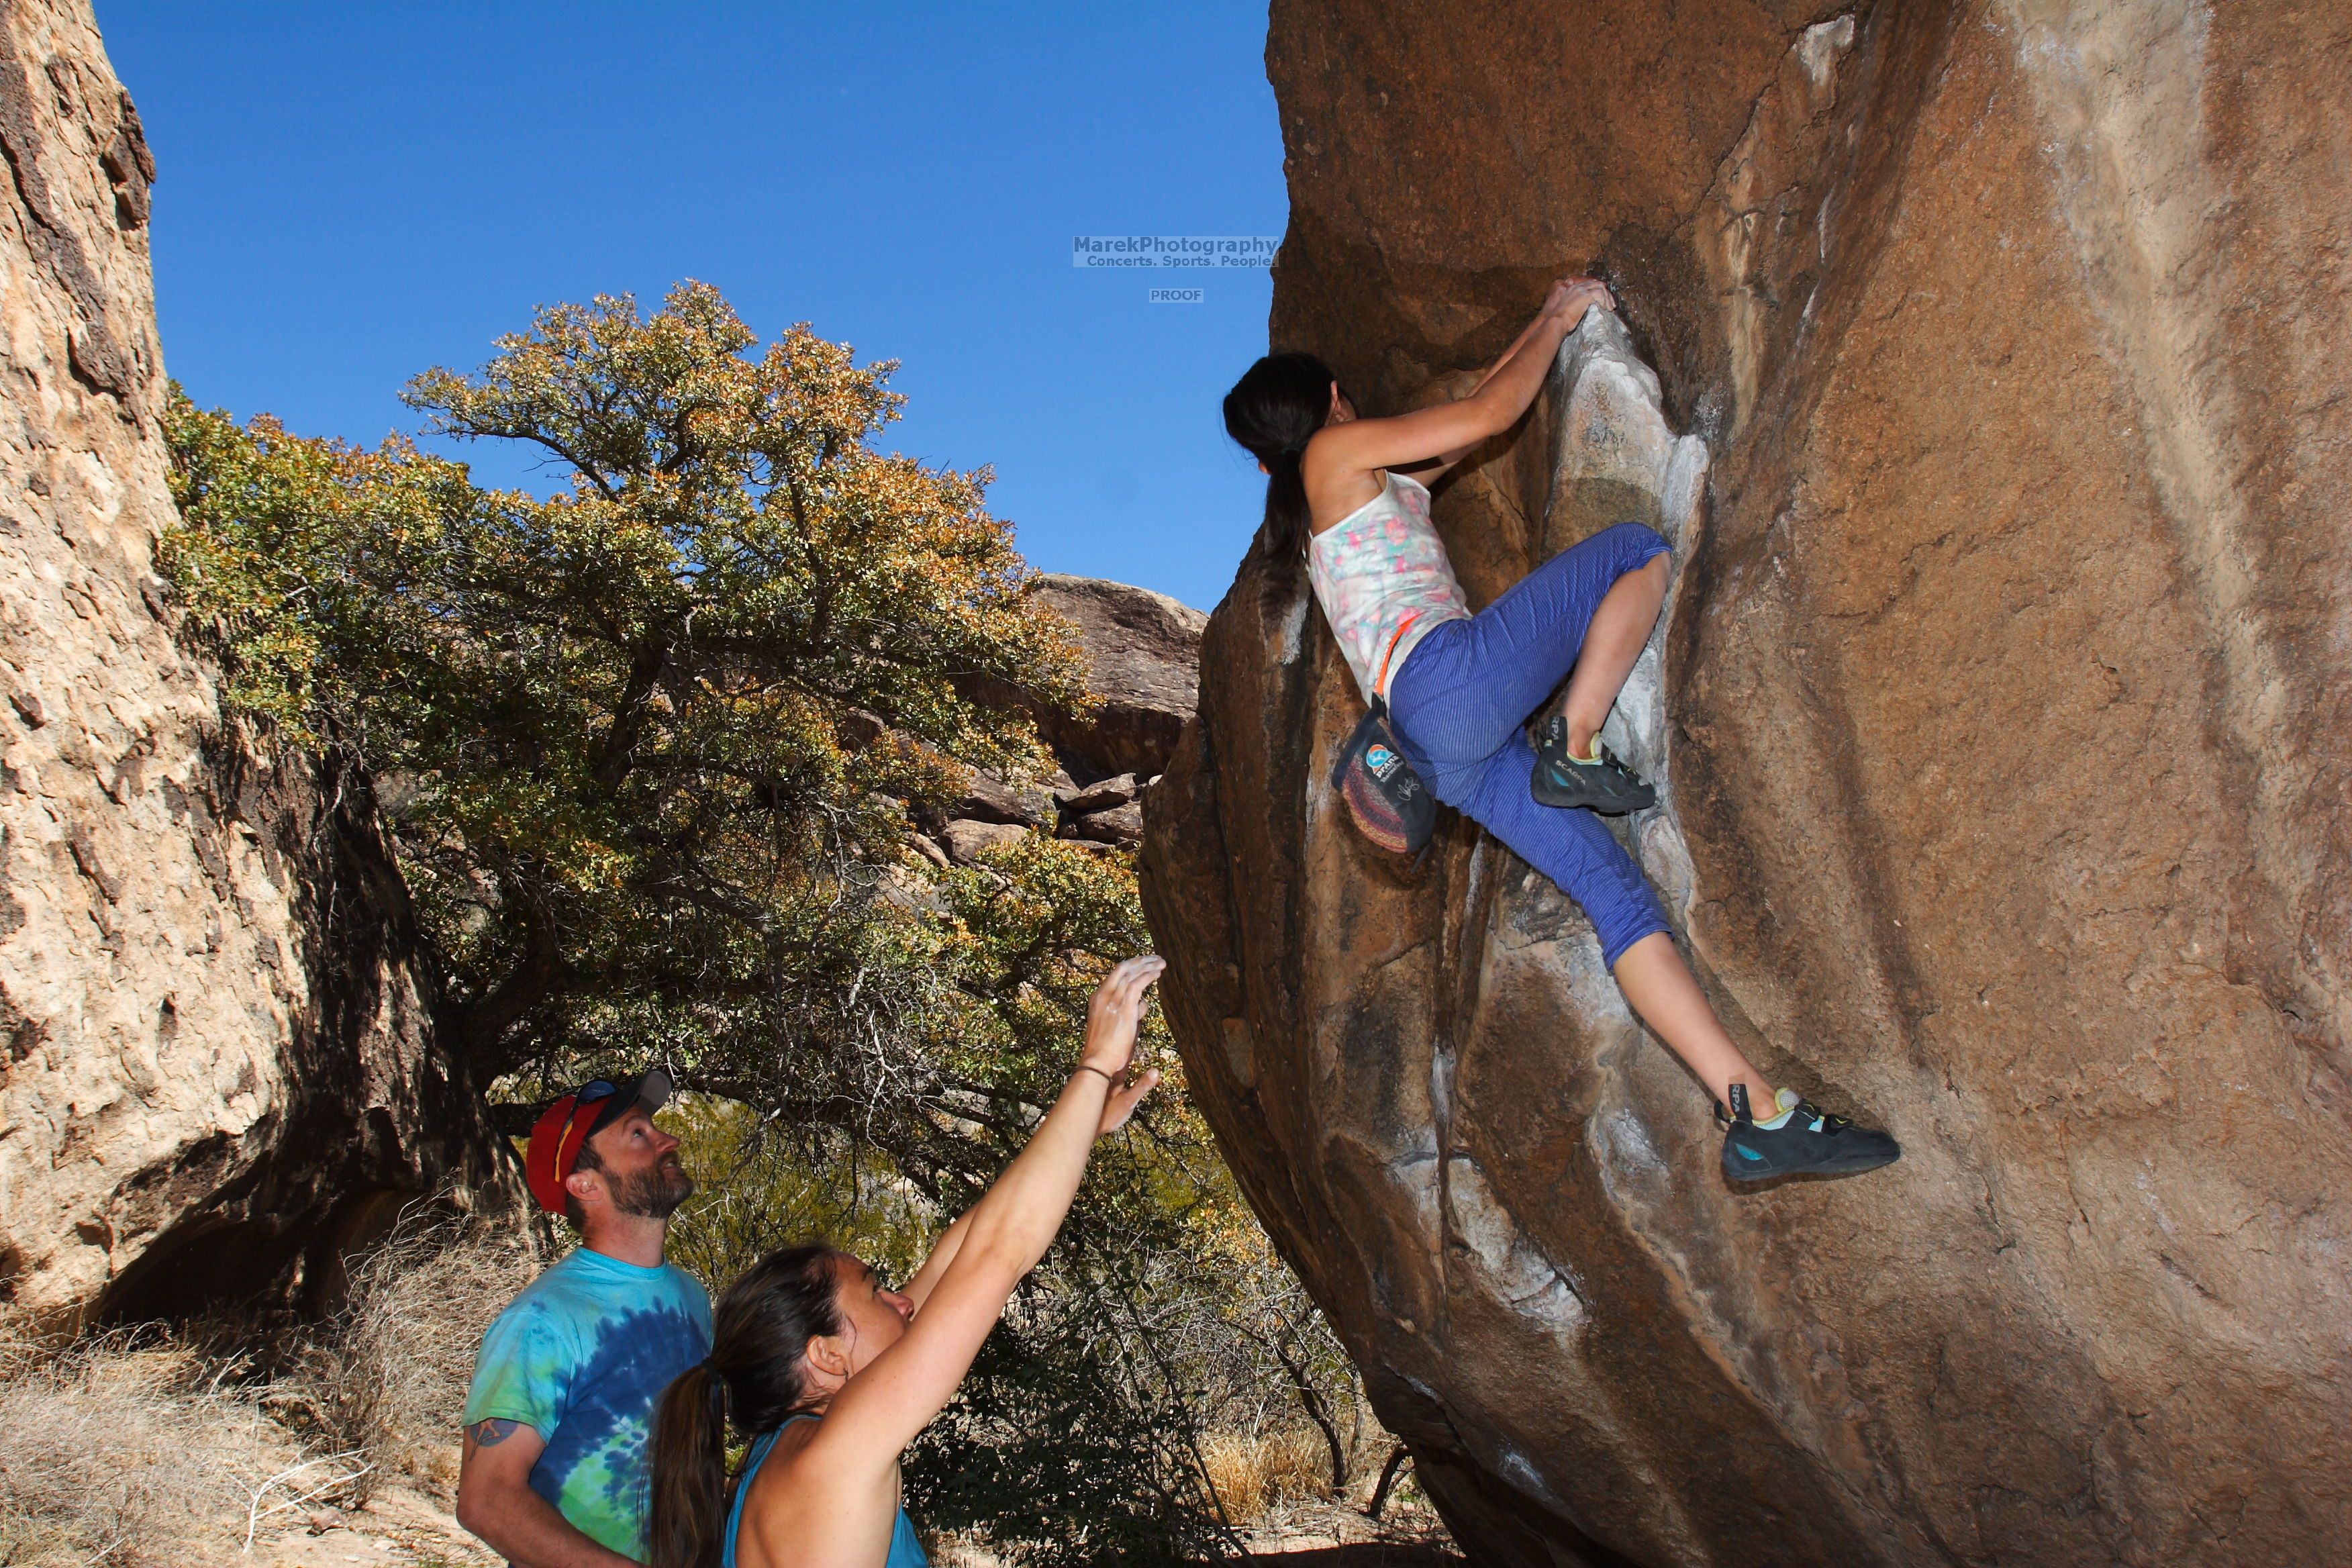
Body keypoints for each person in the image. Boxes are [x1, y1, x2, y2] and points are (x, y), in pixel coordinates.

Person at [1222, 280, 1898, 1183]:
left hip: (1443, 754)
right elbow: (1487, 412)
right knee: (1635, 552)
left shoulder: (1341, 497)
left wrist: (1546, 318)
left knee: (1617, 897)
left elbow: (1473, 421)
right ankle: (1575, 745)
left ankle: (1755, 1112)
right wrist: (1565, 315)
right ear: (1329, 402)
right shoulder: (1336, 452)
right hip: (1448, 685)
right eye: (1343, 399)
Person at [644, 956, 1168, 1568]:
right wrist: (1095, 1063)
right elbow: (1000, 1252)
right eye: (877, 1291)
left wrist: (1079, 1129)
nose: (904, 1300)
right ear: (826, 1355)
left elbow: (957, 1254)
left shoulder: (784, 1452)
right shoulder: (834, 1457)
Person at [458, 1069, 712, 1566]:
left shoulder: (691, 1297)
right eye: (638, 1133)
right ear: (585, 1184)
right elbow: (487, 1502)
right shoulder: (542, 1321)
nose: (669, 1139)